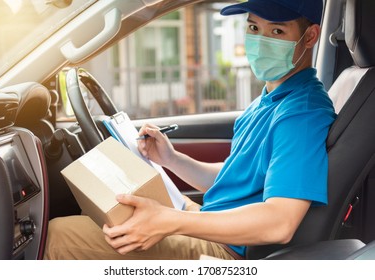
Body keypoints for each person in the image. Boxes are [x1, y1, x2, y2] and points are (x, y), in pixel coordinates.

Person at [44, 0, 336, 260]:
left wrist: (170, 221)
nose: (259, 42)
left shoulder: (302, 113)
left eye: (276, 32)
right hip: (210, 223)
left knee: (58, 236)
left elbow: (279, 223)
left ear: (310, 36)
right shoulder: (270, 99)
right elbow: (237, 179)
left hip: (228, 252)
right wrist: (170, 159)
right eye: (253, 27)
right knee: (98, 215)